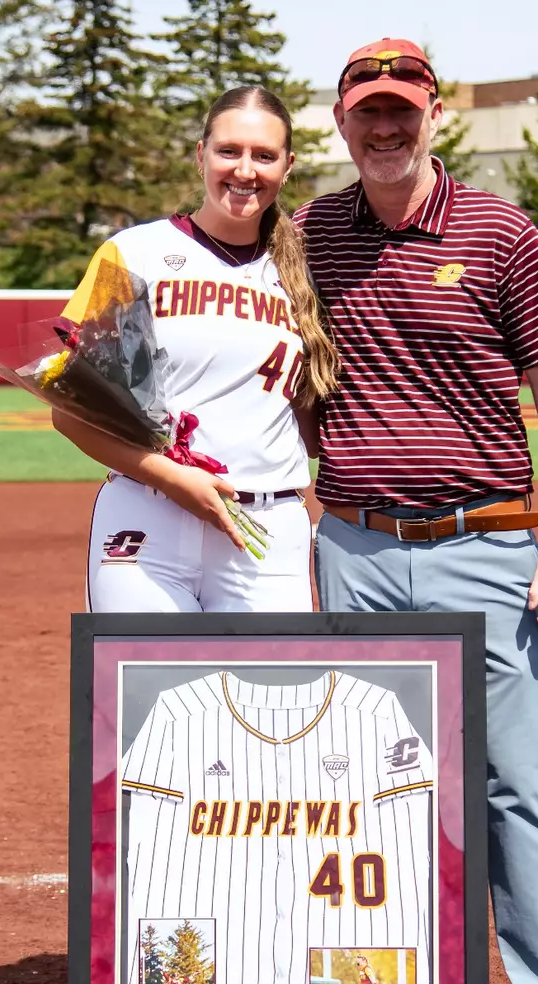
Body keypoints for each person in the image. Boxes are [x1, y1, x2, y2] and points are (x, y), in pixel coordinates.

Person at [295, 39, 538, 984]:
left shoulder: (500, 230)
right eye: (366, 111)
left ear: (434, 115)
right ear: (341, 122)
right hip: (356, 549)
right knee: (361, 797)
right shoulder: (311, 235)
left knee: (517, 791)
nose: (385, 127)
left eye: (403, 109)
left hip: (484, 547)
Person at [50, 87, 338, 613]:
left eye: (264, 155)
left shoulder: (307, 270)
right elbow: (70, 415)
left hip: (265, 528)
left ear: (288, 166)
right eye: (229, 151)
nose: (245, 170)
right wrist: (172, 477)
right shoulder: (134, 253)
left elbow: (310, 423)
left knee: (263, 696)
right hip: (147, 511)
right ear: (199, 153)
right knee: (146, 693)